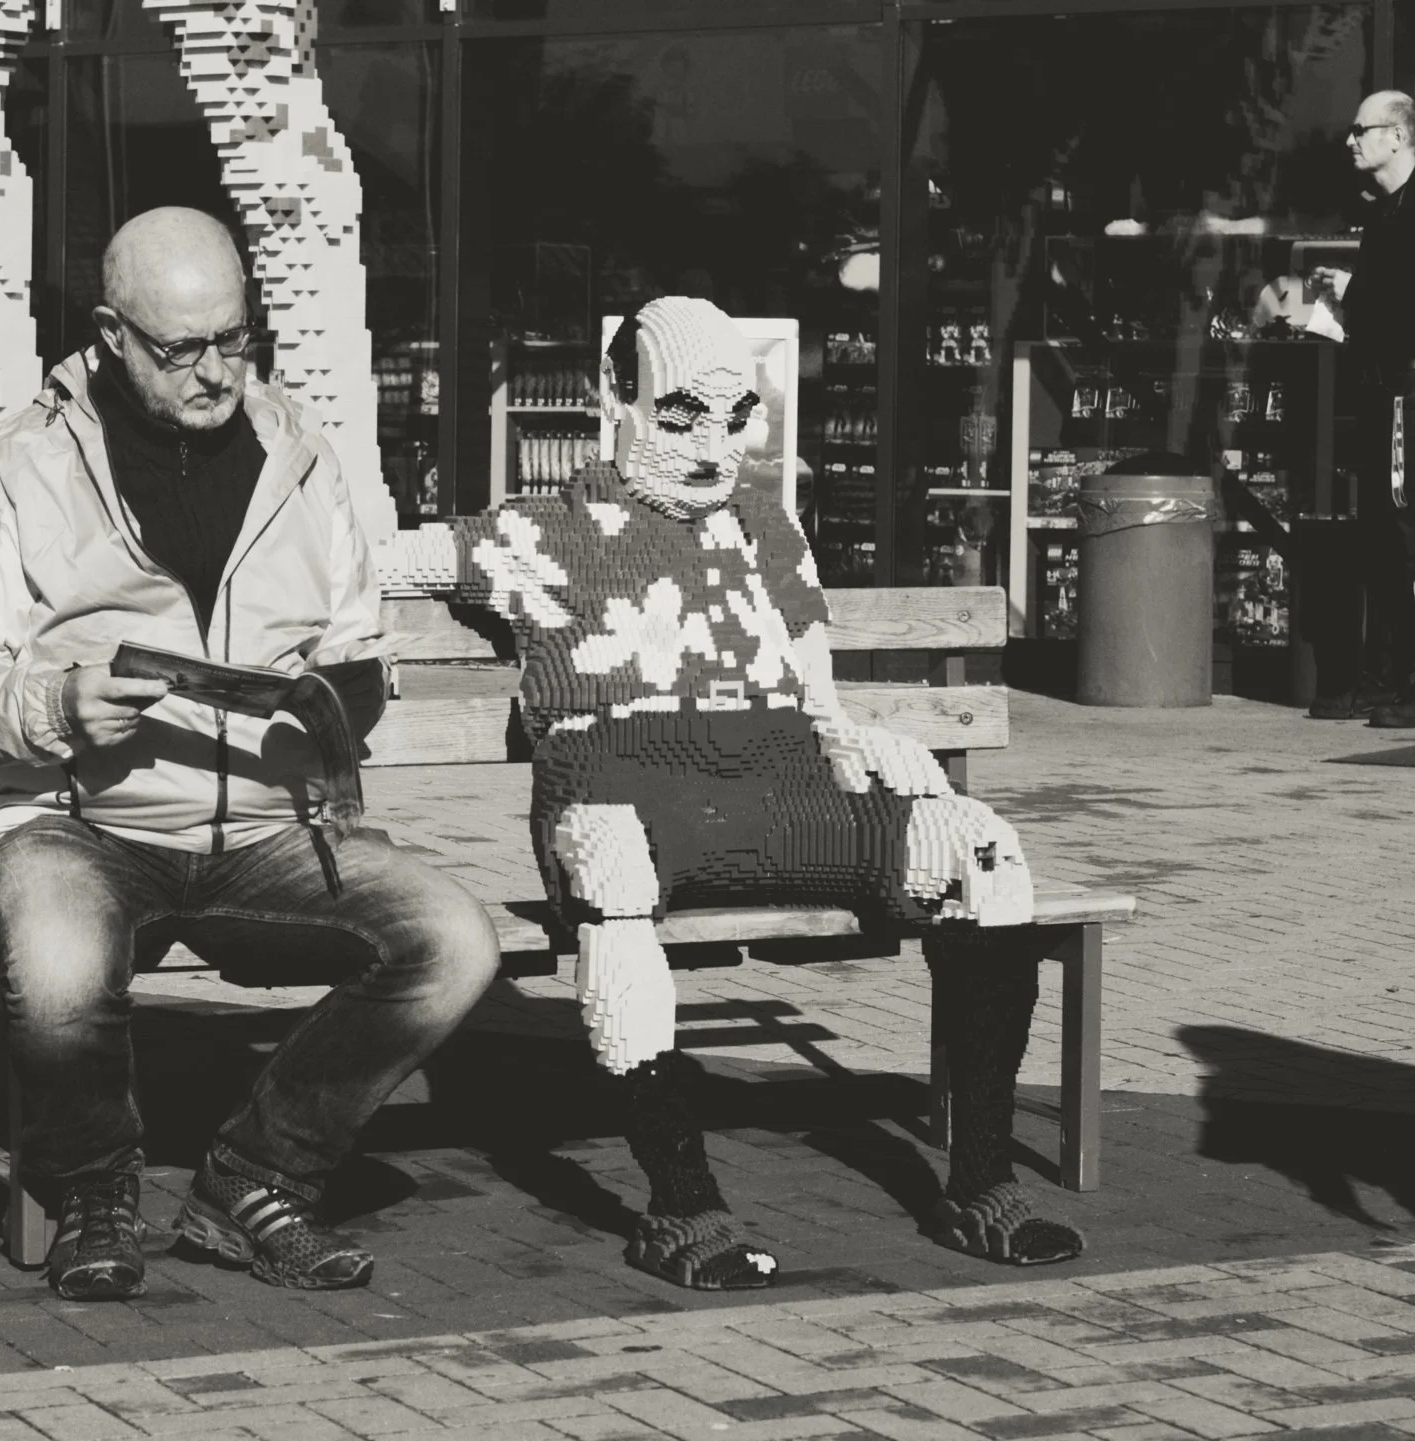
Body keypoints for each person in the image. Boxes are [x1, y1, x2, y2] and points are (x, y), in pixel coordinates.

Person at [383, 296, 1075, 1285]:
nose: (712, 445)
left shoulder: (760, 520)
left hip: (780, 774)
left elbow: (806, 652)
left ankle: (982, 1183)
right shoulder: (536, 532)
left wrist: (852, 734)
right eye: (679, 414)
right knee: (611, 865)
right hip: (618, 782)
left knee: (986, 851)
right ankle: (682, 1203)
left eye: (735, 415)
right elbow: (377, 567)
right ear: (617, 396)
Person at [0, 207, 501, 1302]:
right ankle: (90, 1185)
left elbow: (355, 643)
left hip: (269, 831)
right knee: (61, 959)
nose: (218, 372)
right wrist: (57, 706)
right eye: (182, 349)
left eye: (236, 338)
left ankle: (254, 1180)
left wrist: (336, 704)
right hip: (83, 825)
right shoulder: (16, 463)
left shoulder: (302, 450)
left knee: (455, 941)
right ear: (111, 332)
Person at [1308, 90, 1415, 727]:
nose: (1350, 140)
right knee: (1381, 536)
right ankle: (1390, 676)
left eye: (1361, 129)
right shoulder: (1381, 215)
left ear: (1398, 136)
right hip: (1381, 387)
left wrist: (1358, 292)